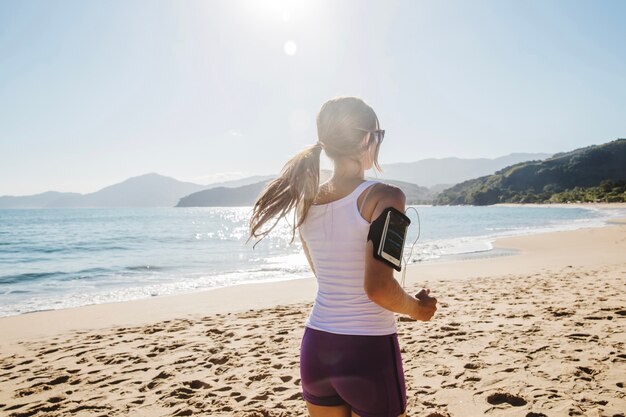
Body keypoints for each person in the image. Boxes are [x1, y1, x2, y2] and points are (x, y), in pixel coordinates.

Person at [248, 96, 437, 417]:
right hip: (367, 350)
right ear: (366, 139)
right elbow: (377, 288)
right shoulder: (387, 197)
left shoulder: (307, 202)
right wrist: (417, 310)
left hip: (317, 347)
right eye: (379, 136)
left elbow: (326, 277)